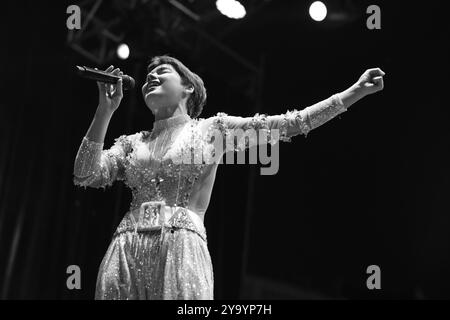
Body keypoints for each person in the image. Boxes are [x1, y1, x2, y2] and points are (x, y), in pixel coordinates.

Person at [73, 55, 385, 300]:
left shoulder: (212, 131)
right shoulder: (131, 143)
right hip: (125, 250)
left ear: (188, 88)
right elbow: (84, 174)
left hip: (179, 247)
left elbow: (292, 123)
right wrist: (105, 111)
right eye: (147, 76)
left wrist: (352, 93)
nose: (151, 77)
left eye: (163, 72)